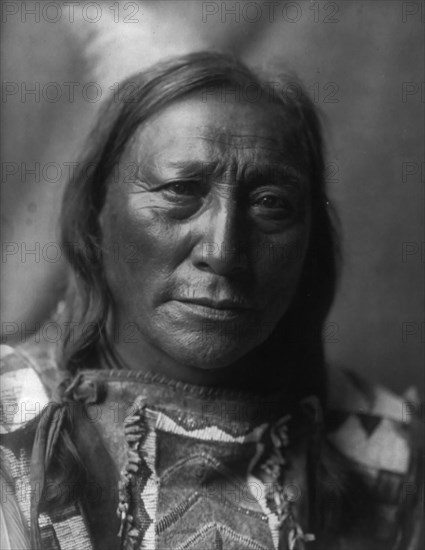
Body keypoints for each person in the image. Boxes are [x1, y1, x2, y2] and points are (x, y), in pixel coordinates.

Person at [0, 52, 422, 550]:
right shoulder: (11, 419)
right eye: (181, 189)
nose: (224, 254)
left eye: (271, 204)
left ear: (311, 245)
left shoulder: (391, 450)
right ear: (96, 218)